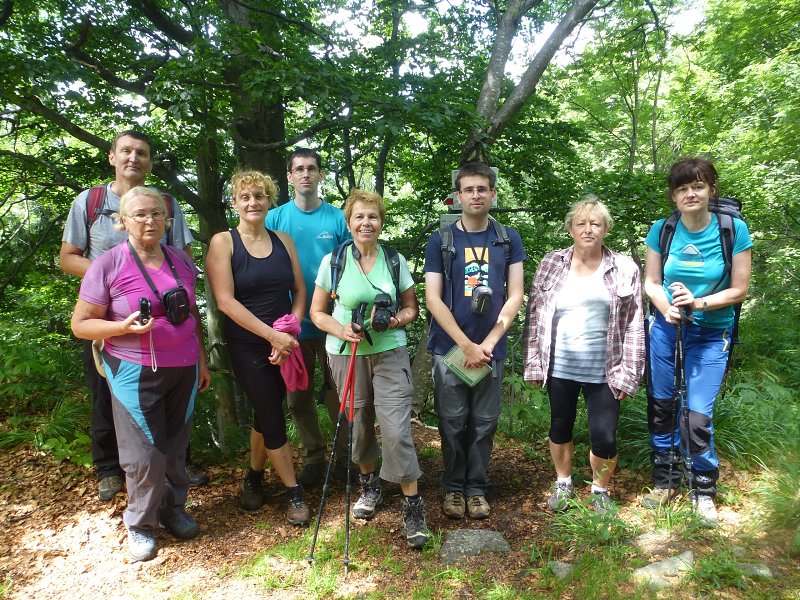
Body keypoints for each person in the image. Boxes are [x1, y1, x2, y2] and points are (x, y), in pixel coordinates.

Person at [60, 130, 207, 501]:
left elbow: (184, 258)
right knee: (105, 395)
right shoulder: (90, 201)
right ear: (112, 156)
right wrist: (114, 275)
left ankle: (176, 464)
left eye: (141, 153)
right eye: (125, 151)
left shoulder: (166, 205)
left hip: (165, 321)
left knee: (172, 395)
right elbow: (67, 257)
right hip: (105, 317)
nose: (133, 158)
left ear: (150, 162)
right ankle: (109, 470)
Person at [70, 187, 211, 562]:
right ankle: (140, 523)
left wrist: (201, 360)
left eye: (157, 214)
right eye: (140, 215)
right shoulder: (108, 264)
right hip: (134, 370)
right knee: (144, 453)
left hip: (183, 368)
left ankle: (173, 509)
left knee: (177, 445)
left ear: (167, 220)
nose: (150, 221)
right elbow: (81, 325)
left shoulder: (181, 261)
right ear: (123, 222)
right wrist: (121, 330)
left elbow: (191, 315)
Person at [309, 189, 430, 549]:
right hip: (346, 352)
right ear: (349, 223)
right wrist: (341, 328)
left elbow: (413, 309)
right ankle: (369, 485)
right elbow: (317, 312)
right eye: (359, 217)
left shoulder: (394, 260)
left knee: (395, 428)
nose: (366, 223)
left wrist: (393, 321)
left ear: (381, 222)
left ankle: (412, 503)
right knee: (359, 424)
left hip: (389, 350)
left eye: (373, 217)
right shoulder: (334, 261)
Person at [642, 157, 752, 525]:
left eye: (698, 186)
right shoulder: (663, 229)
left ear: (711, 190)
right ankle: (666, 480)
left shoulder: (733, 229)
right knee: (661, 406)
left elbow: (740, 289)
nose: (691, 193)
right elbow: (651, 282)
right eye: (683, 188)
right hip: (666, 329)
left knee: (696, 416)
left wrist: (698, 302)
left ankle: (703, 488)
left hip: (710, 332)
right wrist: (665, 306)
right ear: (673, 195)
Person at [523, 198, 644, 514]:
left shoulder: (624, 268)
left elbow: (634, 324)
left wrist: (630, 373)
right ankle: (563, 484)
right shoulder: (552, 263)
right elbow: (535, 315)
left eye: (596, 223)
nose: (588, 229)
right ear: (570, 228)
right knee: (559, 426)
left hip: (607, 370)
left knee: (604, 435)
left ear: (606, 229)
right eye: (581, 223)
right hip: (560, 365)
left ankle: (600, 490)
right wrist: (534, 364)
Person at [205, 169, 310, 525]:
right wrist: (272, 337)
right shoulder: (224, 242)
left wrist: (290, 332)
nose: (253, 202)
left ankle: (253, 476)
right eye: (245, 197)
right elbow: (226, 302)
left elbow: (299, 290)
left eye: (260, 196)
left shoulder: (283, 239)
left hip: (285, 343)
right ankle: (294, 492)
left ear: (269, 201)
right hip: (250, 346)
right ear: (235, 202)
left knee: (265, 412)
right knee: (272, 413)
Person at [424, 162, 526, 520]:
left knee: (484, 422)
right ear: (458, 196)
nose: (476, 195)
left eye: (482, 189)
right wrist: (465, 345)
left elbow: (515, 295)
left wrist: (490, 340)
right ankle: (453, 487)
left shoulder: (507, 238)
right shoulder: (442, 240)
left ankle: (477, 487)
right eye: (468, 190)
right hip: (449, 348)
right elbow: (433, 299)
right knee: (451, 421)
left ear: (493, 193)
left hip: (491, 350)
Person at [265, 148, 352, 487]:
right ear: (289, 176)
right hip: (289, 325)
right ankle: (314, 456)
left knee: (339, 392)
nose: (305, 174)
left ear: (320, 175)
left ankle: (345, 458)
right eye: (298, 169)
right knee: (297, 394)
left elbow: (351, 264)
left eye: (311, 168)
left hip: (333, 322)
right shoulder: (275, 218)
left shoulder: (337, 219)